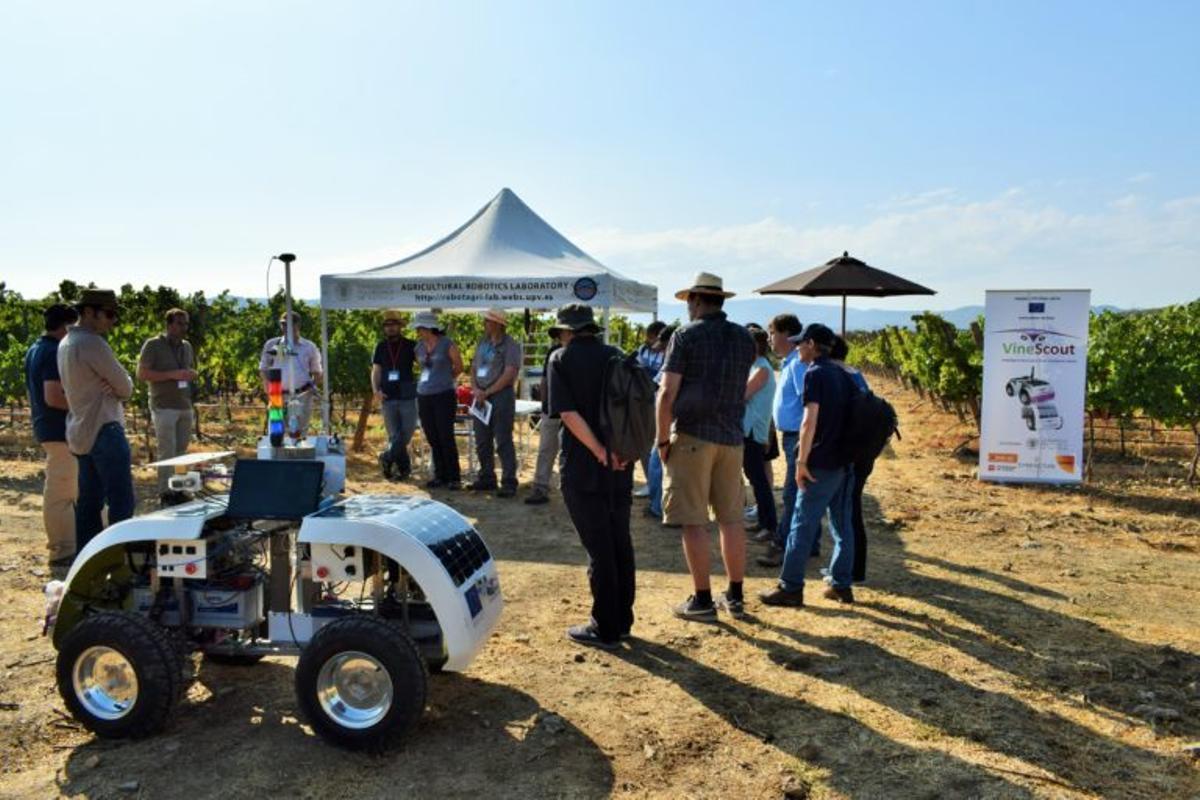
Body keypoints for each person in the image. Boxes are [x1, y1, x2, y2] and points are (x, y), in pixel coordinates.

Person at [656, 272, 755, 620]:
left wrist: (662, 438)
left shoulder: (686, 335)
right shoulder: (745, 338)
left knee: (692, 521)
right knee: (732, 519)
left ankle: (702, 599)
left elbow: (667, 393)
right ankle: (736, 594)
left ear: (696, 300)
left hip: (694, 435)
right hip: (731, 437)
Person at [546, 303, 635, 648]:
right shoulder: (618, 356)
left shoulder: (560, 359)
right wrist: (619, 452)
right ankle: (623, 620)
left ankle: (605, 627)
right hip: (622, 462)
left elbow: (567, 413)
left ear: (567, 331)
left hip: (585, 465)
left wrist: (599, 451)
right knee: (619, 541)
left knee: (598, 548)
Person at [760, 323, 857, 608]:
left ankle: (790, 587)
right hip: (844, 461)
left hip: (821, 462)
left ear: (812, 344)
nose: (798, 347)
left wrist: (801, 461)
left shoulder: (815, 373)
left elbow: (809, 420)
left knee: (801, 525)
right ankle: (841, 584)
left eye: (801, 343)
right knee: (842, 525)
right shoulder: (844, 372)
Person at [57, 289, 135, 553]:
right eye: (109, 314)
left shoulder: (66, 343)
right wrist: (117, 385)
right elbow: (125, 387)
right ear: (89, 312)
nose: (113, 321)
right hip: (105, 429)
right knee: (121, 502)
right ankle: (119, 560)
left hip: (81, 431)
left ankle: (89, 565)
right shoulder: (92, 343)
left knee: (89, 503)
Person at [24, 303, 79, 566]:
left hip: (50, 429)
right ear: (67, 325)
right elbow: (53, 396)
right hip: (59, 431)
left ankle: (68, 546)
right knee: (61, 494)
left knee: (66, 489)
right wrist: (85, 404)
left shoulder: (36, 349)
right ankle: (62, 551)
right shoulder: (54, 351)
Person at [756, 313, 805, 569]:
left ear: (786, 334)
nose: (769, 339)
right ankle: (808, 543)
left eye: (772, 333)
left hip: (798, 436)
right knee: (798, 492)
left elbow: (810, 402)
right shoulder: (790, 361)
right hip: (792, 436)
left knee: (792, 492)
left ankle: (782, 544)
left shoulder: (798, 363)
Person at [137, 308, 196, 504]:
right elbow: (142, 374)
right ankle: (165, 492)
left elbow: (184, 370)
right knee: (167, 451)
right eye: (180, 323)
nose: (184, 328)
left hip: (184, 404)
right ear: (169, 324)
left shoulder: (186, 346)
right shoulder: (153, 345)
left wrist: (189, 374)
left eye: (186, 324)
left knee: (181, 452)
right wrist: (172, 374)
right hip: (163, 406)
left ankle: (179, 489)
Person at [467, 308, 523, 498]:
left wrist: (487, 392)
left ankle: (508, 481)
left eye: (488, 321)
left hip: (500, 396)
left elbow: (509, 374)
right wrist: (475, 389)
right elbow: (473, 368)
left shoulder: (511, 345)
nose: (485, 324)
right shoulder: (482, 343)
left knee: (503, 440)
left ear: (499, 324)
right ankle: (487, 477)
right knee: (482, 440)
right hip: (481, 396)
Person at [831, 335, 872, 583]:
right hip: (864, 450)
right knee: (852, 508)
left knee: (848, 511)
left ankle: (853, 571)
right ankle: (855, 568)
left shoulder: (839, 376)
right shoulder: (855, 373)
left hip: (850, 452)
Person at [413, 311, 464, 489]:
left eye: (419, 328)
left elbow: (459, 366)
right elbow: (421, 368)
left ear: (428, 327)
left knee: (445, 435)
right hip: (424, 395)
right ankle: (440, 475)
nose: (417, 331)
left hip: (444, 395)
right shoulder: (418, 347)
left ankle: (454, 477)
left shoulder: (446, 344)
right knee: (432, 436)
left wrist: (445, 379)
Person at [259, 311, 323, 439]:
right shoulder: (272, 345)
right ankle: (277, 455)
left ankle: (297, 455)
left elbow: (317, 372)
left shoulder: (309, 347)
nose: (285, 328)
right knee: (276, 432)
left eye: (288, 324)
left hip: (302, 395)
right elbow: (263, 368)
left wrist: (311, 387)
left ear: (298, 325)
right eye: (282, 324)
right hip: (277, 395)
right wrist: (268, 388)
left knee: (299, 432)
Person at [525, 324, 569, 505]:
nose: (560, 337)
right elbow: (544, 380)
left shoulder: (580, 352)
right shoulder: (553, 351)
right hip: (553, 407)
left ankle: (569, 488)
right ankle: (541, 487)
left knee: (569, 450)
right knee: (546, 448)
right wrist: (545, 405)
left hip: (574, 409)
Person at [372, 310, 418, 481]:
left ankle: (387, 457)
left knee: (406, 433)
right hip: (387, 396)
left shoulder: (411, 345)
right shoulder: (380, 346)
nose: (390, 328)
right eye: (387, 325)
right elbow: (376, 371)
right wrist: (376, 390)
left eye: (394, 325)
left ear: (400, 327)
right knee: (394, 436)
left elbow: (422, 363)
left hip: (407, 395)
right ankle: (404, 470)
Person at [741, 326, 778, 539]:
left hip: (753, 431)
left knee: (759, 480)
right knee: (755, 478)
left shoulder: (762, 368)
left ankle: (769, 526)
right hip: (749, 430)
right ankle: (764, 521)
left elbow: (743, 394)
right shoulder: (756, 366)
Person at [643, 324, 676, 521]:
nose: (662, 352)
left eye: (663, 347)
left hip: (669, 423)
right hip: (674, 423)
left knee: (656, 465)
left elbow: (662, 393)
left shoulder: (672, 365)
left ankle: (658, 507)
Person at [632, 321, 667, 499]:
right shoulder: (643, 350)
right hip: (642, 404)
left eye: (651, 337)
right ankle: (650, 482)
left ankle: (658, 486)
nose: (648, 340)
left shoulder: (668, 355)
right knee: (645, 445)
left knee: (657, 445)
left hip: (659, 404)